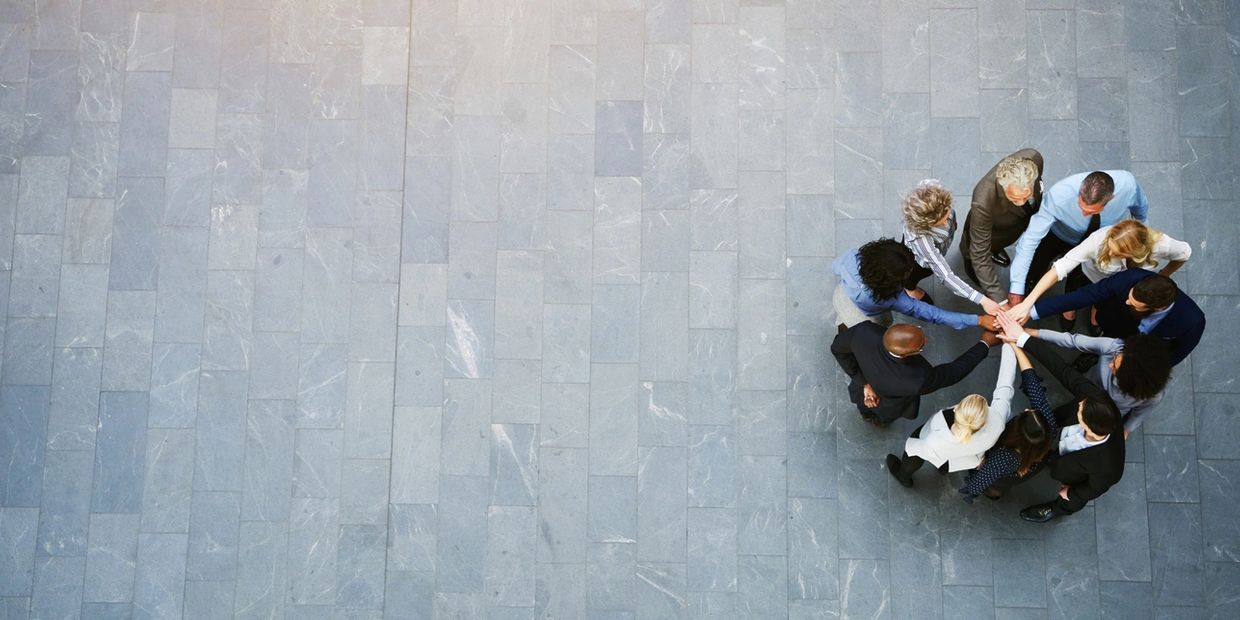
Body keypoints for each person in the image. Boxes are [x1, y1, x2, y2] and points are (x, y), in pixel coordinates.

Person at [996, 313, 1126, 523]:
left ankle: (1056, 509)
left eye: (1081, 410)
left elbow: (1094, 488)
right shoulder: (1096, 398)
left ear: (1089, 428)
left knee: (1070, 500)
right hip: (1055, 430)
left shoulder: (1109, 467)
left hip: (1067, 470)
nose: (1079, 403)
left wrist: (1072, 494)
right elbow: (1061, 370)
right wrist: (1022, 338)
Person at [1006, 170, 1150, 308]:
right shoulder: (1058, 196)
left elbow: (1141, 211)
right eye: (1081, 207)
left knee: (1083, 275)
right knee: (1038, 260)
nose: (1084, 213)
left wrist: (1141, 236)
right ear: (1081, 190)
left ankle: (1071, 302)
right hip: (1059, 235)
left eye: (1091, 211)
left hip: (1101, 241)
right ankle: (1030, 282)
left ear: (1111, 198)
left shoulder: (1128, 185)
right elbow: (1030, 240)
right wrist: (1016, 287)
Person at [1008, 220, 1191, 327]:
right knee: (1075, 292)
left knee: (1107, 305)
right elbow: (1060, 268)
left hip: (1126, 288)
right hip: (1091, 277)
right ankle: (1070, 309)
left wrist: (1164, 275)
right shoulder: (1097, 241)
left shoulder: (1162, 245)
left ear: (1136, 251)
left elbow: (1184, 253)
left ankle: (1096, 308)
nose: (1110, 254)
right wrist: (1028, 303)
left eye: (1118, 253)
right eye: (1109, 248)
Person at [886, 345, 1017, 487]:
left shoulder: (935, 436)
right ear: (984, 421)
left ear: (956, 410)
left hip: (937, 451)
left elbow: (918, 449)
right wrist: (1010, 344)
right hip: (960, 461)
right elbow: (1005, 385)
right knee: (943, 464)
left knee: (914, 451)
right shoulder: (998, 421)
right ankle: (941, 471)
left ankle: (903, 476)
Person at [830, 321, 1001, 426]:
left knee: (864, 407)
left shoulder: (864, 332)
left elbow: (837, 348)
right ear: (907, 354)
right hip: (889, 404)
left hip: (862, 390)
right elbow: (954, 372)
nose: (926, 339)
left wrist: (863, 382)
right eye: (921, 346)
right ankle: (876, 420)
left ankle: (866, 414)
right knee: (882, 417)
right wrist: (984, 343)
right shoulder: (917, 379)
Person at [1020, 269, 1204, 366]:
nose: (1127, 302)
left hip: (1143, 348)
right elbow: (1084, 296)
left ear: (1155, 308)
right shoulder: (1130, 278)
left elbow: (1175, 356)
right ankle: (1094, 351)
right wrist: (1030, 310)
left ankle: (1096, 356)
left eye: (1134, 304)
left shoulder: (1192, 321)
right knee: (1104, 338)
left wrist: (1139, 369)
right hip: (1114, 322)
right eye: (1129, 297)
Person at [1018, 328, 1172, 438]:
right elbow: (1072, 340)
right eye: (1114, 360)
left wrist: (1124, 431)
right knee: (1064, 413)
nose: (1110, 365)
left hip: (1105, 410)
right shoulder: (1115, 347)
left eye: (1117, 370)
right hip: (1087, 384)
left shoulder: (1153, 396)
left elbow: (1138, 415)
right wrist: (1031, 333)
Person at [959, 341, 1058, 503]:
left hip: (1005, 471)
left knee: (994, 484)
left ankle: (993, 494)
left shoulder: (1004, 456)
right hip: (1028, 467)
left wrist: (975, 474)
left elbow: (978, 482)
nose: (1027, 410)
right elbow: (1033, 386)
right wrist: (1016, 346)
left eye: (1026, 414)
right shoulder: (1048, 425)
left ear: (1016, 432)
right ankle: (995, 493)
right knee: (999, 485)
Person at [833, 238, 1000, 331]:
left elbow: (835, 267)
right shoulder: (893, 300)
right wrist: (978, 320)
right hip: (868, 317)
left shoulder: (852, 257)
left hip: (841, 296)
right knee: (880, 326)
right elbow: (933, 314)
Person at [899, 180, 1004, 316]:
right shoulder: (921, 240)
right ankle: (910, 288)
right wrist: (982, 300)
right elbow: (946, 276)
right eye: (940, 222)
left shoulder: (931, 190)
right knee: (913, 274)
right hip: (918, 262)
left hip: (939, 247)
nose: (946, 220)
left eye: (947, 213)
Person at [961, 149, 1046, 304]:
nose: (1022, 202)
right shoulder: (983, 200)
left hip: (1011, 228)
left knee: (1000, 243)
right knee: (974, 257)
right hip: (991, 231)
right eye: (1014, 198)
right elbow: (979, 255)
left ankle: (996, 249)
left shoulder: (1034, 158)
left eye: (1026, 196)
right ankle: (976, 275)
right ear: (1003, 186)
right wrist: (999, 300)